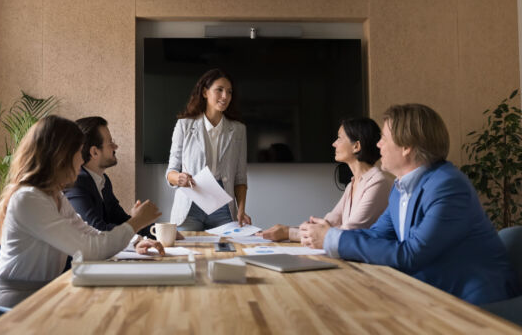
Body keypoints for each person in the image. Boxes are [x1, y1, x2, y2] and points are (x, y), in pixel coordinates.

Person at [300, 104, 520, 305]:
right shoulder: (400, 189)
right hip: (432, 294)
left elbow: (412, 255)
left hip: (476, 304)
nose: (378, 145)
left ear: (406, 146)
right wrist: (328, 237)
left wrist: (331, 238)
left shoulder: (448, 185)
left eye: (383, 139)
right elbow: (376, 234)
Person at [0, 115, 164, 308]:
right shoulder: (28, 199)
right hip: (20, 306)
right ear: (61, 156)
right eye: (78, 152)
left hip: (49, 294)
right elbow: (89, 249)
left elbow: (90, 233)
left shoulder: (54, 195)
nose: (82, 159)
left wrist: (134, 243)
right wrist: (135, 223)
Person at [261, 118, 392, 241]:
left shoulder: (377, 182)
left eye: (339, 138)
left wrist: (288, 232)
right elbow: (330, 222)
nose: (334, 144)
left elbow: (348, 233)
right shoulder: (352, 184)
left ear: (356, 146)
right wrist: (298, 229)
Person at [65, 116, 181, 239]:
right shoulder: (76, 183)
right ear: (94, 152)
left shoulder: (103, 181)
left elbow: (120, 219)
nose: (115, 146)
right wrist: (138, 222)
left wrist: (161, 233)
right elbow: (97, 230)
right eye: (110, 143)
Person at [166, 68, 250, 230]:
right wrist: (179, 178)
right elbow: (171, 172)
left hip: (223, 208)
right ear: (205, 92)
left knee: (228, 253)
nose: (225, 96)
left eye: (229, 92)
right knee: (187, 254)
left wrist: (241, 210)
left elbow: (240, 178)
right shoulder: (184, 125)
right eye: (219, 90)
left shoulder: (238, 130)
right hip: (190, 207)